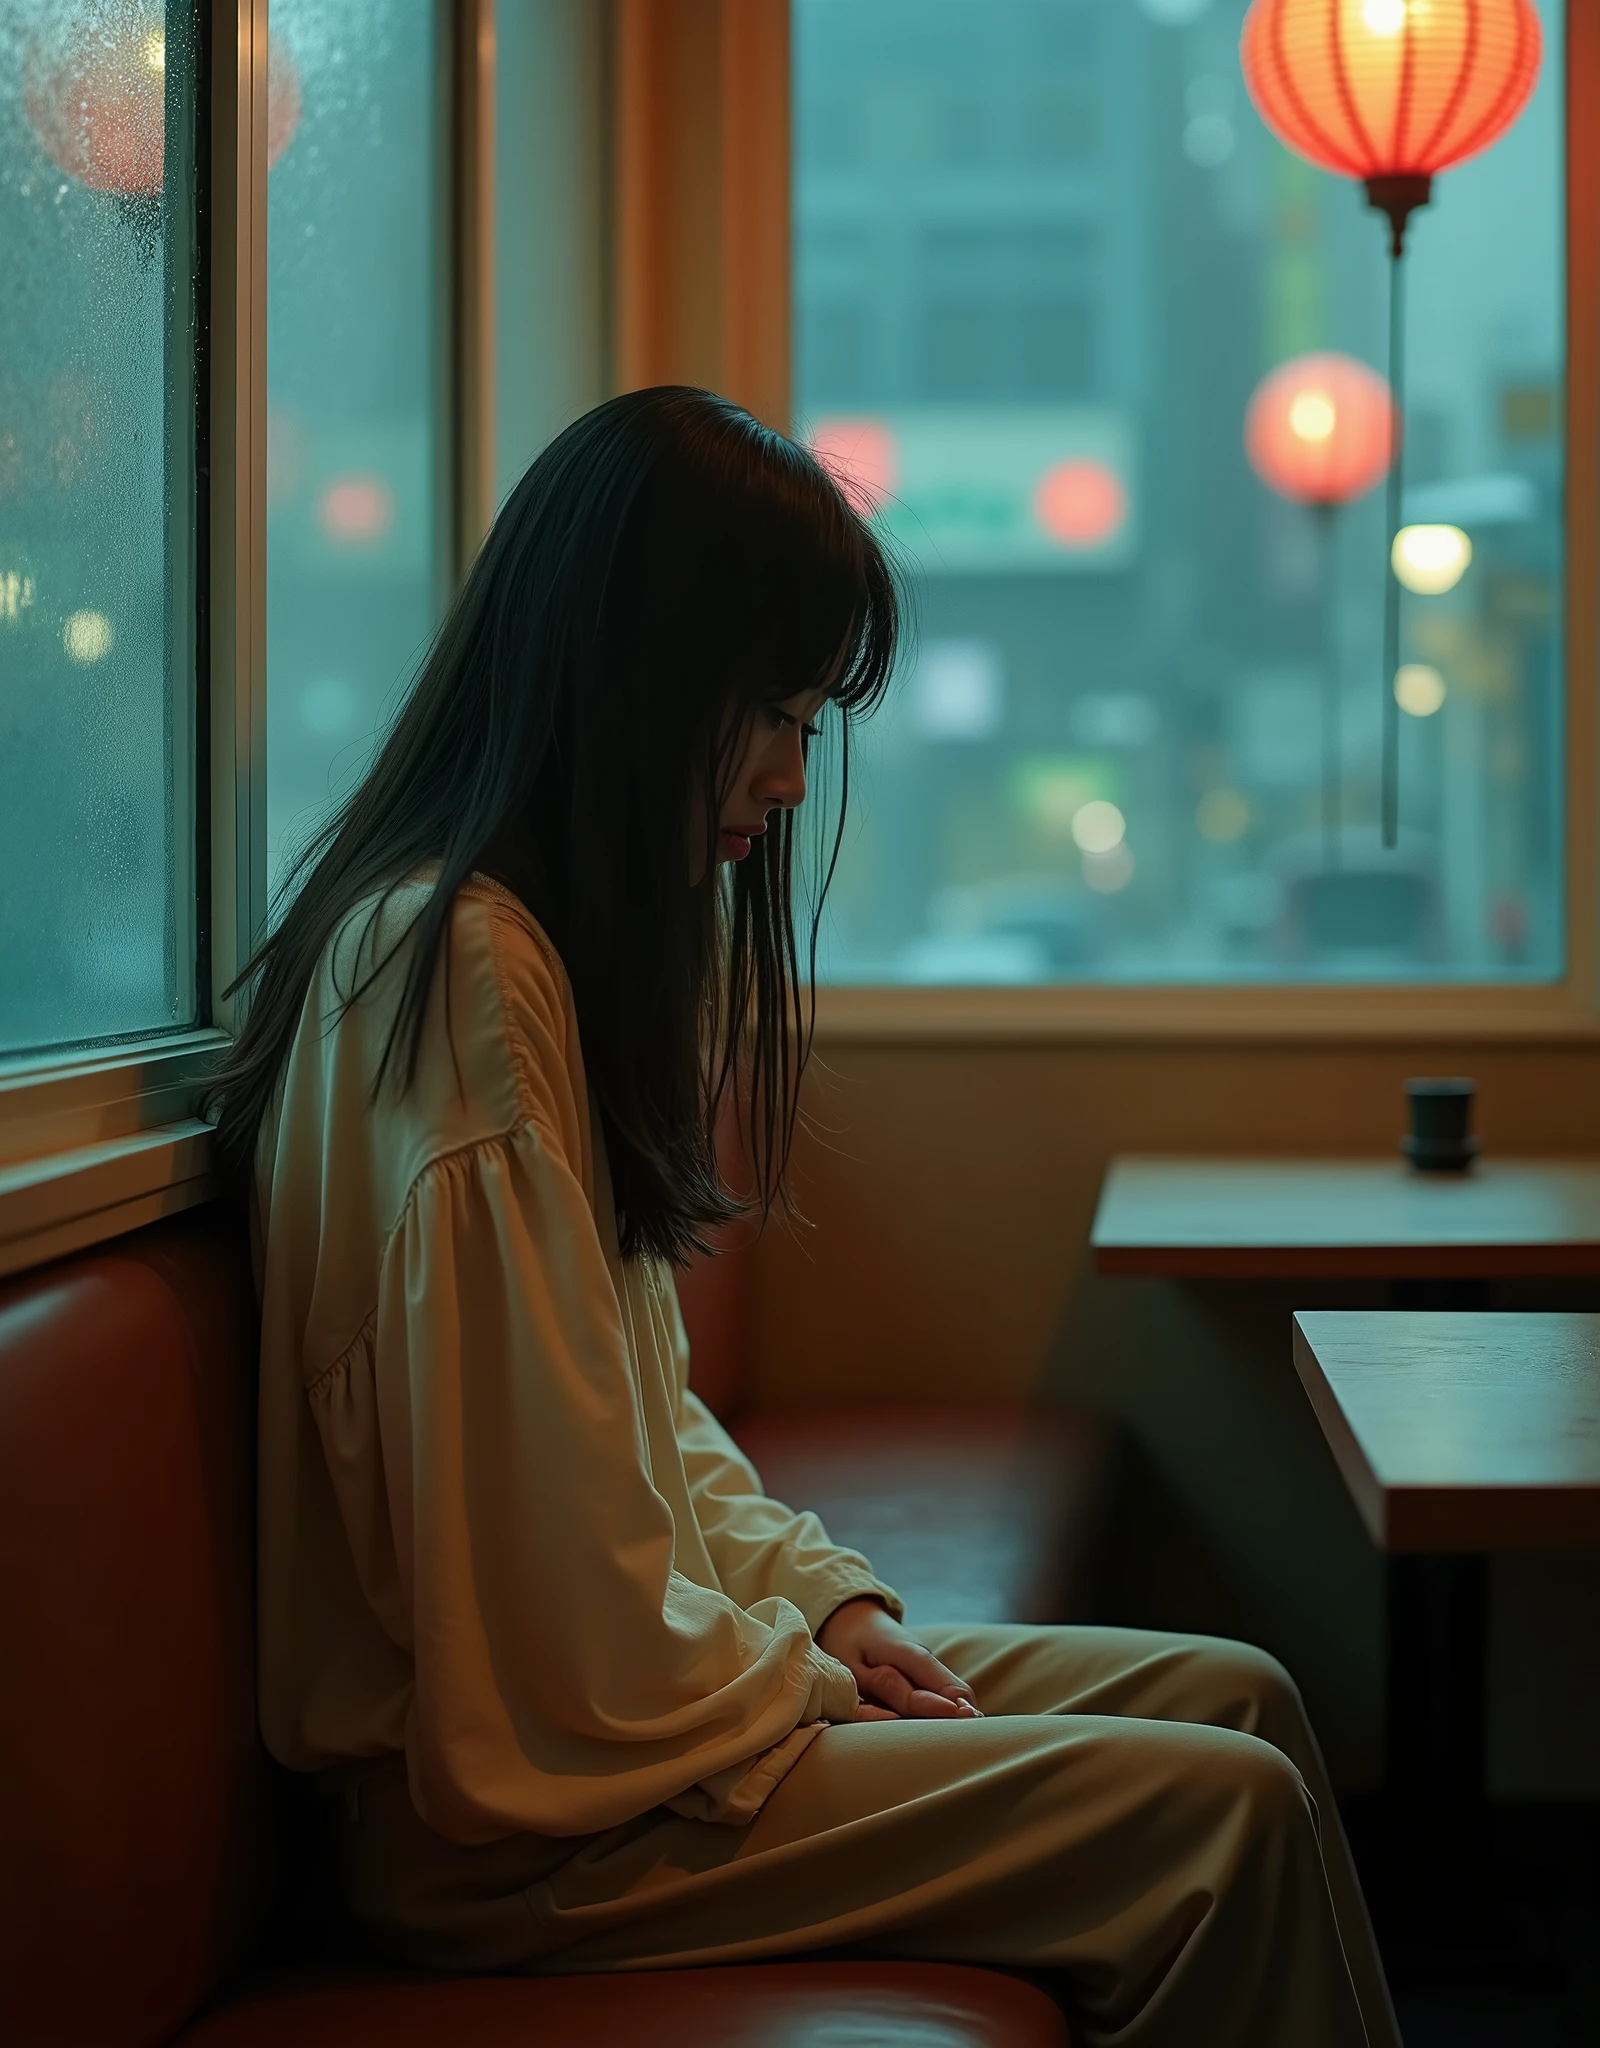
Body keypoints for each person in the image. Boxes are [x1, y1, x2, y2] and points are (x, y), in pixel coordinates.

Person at [211, 387, 1400, 2048]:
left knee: (1239, 1693)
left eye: (806, 721)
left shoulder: (519, 950)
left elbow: (635, 1429)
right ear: (628, 680)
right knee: (1228, 1811)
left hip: (624, 1735)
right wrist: (802, 1681)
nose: (785, 773)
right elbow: (549, 1620)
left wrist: (826, 1604)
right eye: (763, 709)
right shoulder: (463, 973)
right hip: (530, 1832)